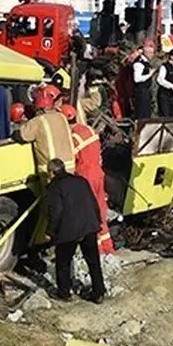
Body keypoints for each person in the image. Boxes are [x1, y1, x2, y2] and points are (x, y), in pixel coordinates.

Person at [44, 158, 107, 304]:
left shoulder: (55, 187)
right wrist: (97, 221)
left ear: (52, 172)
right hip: (89, 226)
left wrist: (50, 232)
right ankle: (99, 293)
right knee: (93, 261)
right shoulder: (81, 181)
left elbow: (56, 211)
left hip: (69, 231)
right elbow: (93, 202)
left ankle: (64, 293)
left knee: (63, 262)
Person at [61, 104, 114, 255]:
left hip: (85, 177)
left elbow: (73, 160)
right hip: (98, 172)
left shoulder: (72, 137)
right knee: (101, 209)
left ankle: (96, 249)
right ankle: (108, 247)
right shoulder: (88, 129)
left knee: (89, 214)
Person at [16, 84, 75, 178]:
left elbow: (21, 135)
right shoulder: (61, 117)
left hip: (51, 171)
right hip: (69, 167)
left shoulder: (39, 121)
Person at [131, 41, 156, 119]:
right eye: (151, 53)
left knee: (146, 114)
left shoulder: (146, 63)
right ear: (146, 53)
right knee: (141, 114)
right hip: (141, 92)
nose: (152, 55)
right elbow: (137, 79)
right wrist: (149, 75)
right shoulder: (139, 63)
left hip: (146, 91)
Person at [156, 48, 173, 117]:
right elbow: (160, 79)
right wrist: (171, 86)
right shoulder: (164, 66)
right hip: (165, 95)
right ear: (171, 57)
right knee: (165, 115)